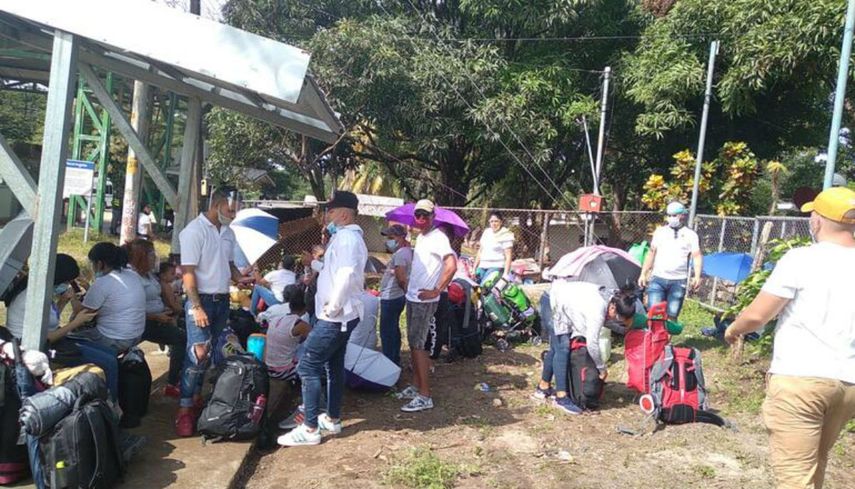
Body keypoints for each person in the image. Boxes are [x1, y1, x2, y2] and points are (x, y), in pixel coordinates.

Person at [724, 187, 855, 489]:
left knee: (796, 476)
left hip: (801, 381)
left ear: (818, 221)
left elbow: (758, 315)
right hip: (847, 383)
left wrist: (734, 329)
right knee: (814, 464)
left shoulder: (801, 259)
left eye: (813, 214)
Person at [278, 191, 367, 447]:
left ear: (343, 213)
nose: (326, 215)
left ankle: (309, 428)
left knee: (308, 365)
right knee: (333, 365)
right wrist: (315, 265)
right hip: (341, 315)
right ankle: (332, 417)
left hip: (336, 316)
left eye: (329, 211)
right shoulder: (345, 237)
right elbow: (333, 270)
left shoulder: (347, 239)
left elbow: (347, 275)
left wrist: (333, 307)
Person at [174, 187, 242, 437]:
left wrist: (240, 278)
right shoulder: (193, 232)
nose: (233, 215)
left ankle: (196, 398)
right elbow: (188, 272)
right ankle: (183, 409)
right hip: (200, 299)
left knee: (210, 351)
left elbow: (229, 263)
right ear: (217, 205)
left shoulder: (228, 233)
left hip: (222, 299)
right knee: (198, 352)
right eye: (230, 210)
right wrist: (196, 306)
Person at [534, 282, 636, 414]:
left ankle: (543, 387)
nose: (618, 320)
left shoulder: (612, 298)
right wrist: (601, 368)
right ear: (612, 308)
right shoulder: (598, 309)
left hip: (558, 298)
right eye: (619, 318)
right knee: (562, 348)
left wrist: (624, 330)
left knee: (556, 348)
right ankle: (561, 397)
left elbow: (605, 322)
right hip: (552, 301)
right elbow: (592, 343)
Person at [397, 200, 457, 413]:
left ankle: (425, 395)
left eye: (425, 215)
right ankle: (416, 386)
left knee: (419, 346)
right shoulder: (421, 237)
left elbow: (451, 265)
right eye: (417, 215)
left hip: (425, 300)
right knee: (413, 343)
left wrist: (437, 290)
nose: (420, 219)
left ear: (433, 216)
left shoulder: (438, 238)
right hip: (414, 297)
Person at [126, 239, 186, 398]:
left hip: (161, 317)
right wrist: (156, 316)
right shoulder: (131, 277)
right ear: (140, 257)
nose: (155, 258)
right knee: (182, 339)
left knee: (189, 328)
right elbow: (129, 309)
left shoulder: (149, 275)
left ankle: (179, 378)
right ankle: (173, 382)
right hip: (144, 321)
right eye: (151, 254)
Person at [73, 242, 146, 354]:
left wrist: (71, 296)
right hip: (136, 334)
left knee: (69, 338)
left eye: (93, 263)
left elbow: (82, 314)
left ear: (100, 263)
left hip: (114, 338)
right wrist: (89, 288)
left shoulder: (103, 282)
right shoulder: (132, 275)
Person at [638, 201, 702, 319]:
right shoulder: (660, 232)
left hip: (678, 281)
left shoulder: (691, 235)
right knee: (653, 314)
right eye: (669, 215)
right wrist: (643, 274)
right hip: (658, 279)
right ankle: (652, 337)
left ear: (682, 215)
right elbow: (651, 253)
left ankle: (665, 338)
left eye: (674, 215)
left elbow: (696, 256)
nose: (671, 218)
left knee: (672, 316)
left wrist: (697, 276)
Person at [378, 224, 412, 365]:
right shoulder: (405, 252)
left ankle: (389, 362)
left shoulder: (401, 253)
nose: (389, 241)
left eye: (392, 237)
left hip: (391, 297)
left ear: (401, 237)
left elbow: (401, 277)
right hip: (394, 296)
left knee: (387, 332)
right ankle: (394, 358)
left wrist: (404, 289)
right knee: (392, 329)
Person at [265, 284, 312, 382]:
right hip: (284, 372)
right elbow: (317, 342)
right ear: (305, 307)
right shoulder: (300, 324)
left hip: (268, 367)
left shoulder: (276, 319)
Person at [474, 211, 514, 280]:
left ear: (501, 222)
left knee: (485, 286)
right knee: (476, 286)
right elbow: (480, 251)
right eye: (491, 221)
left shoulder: (505, 234)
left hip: (496, 266)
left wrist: (506, 274)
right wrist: (474, 268)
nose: (494, 224)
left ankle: (483, 290)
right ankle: (478, 291)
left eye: (496, 221)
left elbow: (508, 256)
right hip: (482, 266)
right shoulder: (487, 232)